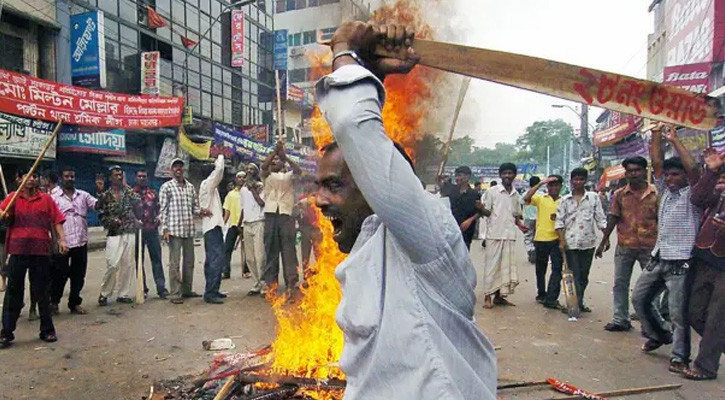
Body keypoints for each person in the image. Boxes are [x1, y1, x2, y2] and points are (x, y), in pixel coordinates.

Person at [313, 21, 496, 399]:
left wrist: (346, 49)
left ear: (376, 186)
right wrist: (372, 71)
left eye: (334, 185)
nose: (318, 200)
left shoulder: (425, 238)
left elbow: (352, 123)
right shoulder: (374, 246)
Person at [631, 125, 700, 374]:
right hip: (659, 256)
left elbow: (693, 168)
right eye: (668, 175)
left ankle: (680, 356)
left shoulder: (693, 194)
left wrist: (676, 139)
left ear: (683, 177)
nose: (669, 179)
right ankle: (659, 334)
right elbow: (657, 162)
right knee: (639, 298)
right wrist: (657, 134)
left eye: (674, 175)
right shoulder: (665, 192)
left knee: (677, 313)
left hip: (681, 261)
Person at [0, 169, 67, 348]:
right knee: (13, 292)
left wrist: (62, 239)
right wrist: (4, 215)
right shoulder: (13, 197)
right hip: (17, 251)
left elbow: (57, 220)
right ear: (19, 179)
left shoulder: (46, 199)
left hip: (41, 252)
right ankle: (6, 333)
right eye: (26, 176)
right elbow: (3, 213)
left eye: (34, 176)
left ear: (38, 180)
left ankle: (47, 330)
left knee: (42, 292)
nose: (31, 179)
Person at [596, 156, 659, 332]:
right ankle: (620, 319)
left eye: (637, 170)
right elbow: (613, 217)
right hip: (625, 245)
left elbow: (662, 219)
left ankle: (651, 322)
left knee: (651, 286)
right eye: (630, 171)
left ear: (644, 171)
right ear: (626, 173)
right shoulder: (619, 195)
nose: (634, 174)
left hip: (650, 247)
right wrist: (604, 241)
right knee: (620, 283)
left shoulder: (656, 194)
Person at [686, 147, 725, 381]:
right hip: (705, 255)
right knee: (694, 313)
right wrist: (710, 172)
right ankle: (716, 343)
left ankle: (706, 366)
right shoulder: (717, 182)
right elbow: (698, 198)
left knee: (716, 318)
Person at [49, 167, 103, 315]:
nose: (70, 179)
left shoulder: (83, 196)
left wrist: (100, 191)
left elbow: (98, 206)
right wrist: (55, 241)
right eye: (67, 176)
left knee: (78, 275)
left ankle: (74, 303)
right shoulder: (54, 198)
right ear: (61, 178)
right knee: (59, 275)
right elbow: (51, 221)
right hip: (63, 242)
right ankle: (54, 302)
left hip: (80, 241)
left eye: (72, 176)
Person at [555, 168, 606, 313]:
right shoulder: (564, 200)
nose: (578, 182)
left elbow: (600, 219)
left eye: (581, 179)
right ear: (571, 181)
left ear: (585, 181)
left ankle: (579, 301)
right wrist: (561, 241)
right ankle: (573, 304)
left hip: (588, 242)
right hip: (571, 243)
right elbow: (559, 222)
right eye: (575, 179)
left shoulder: (593, 198)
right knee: (574, 275)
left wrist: (605, 238)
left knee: (584, 276)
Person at [160, 158, 206, 304]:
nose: (178, 169)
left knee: (189, 262)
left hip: (188, 230)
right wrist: (164, 229)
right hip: (173, 230)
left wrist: (203, 212)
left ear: (183, 169)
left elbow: (194, 208)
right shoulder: (166, 187)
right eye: (175, 167)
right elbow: (163, 210)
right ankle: (175, 293)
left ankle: (186, 290)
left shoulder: (190, 187)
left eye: (180, 166)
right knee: (174, 263)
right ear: (171, 170)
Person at [482, 163, 528, 309]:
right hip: (494, 234)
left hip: (509, 235)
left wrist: (520, 225)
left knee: (504, 269)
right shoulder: (492, 192)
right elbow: (487, 212)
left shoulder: (516, 194)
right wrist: (479, 208)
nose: (507, 176)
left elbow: (514, 215)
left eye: (510, 173)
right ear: (500, 175)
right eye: (504, 173)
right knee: (491, 267)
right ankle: (487, 297)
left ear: (514, 175)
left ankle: (499, 297)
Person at [261, 141, 302, 295]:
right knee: (271, 249)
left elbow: (298, 170)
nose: (275, 162)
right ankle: (271, 285)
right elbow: (264, 167)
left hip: (286, 216)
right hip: (271, 215)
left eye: (278, 160)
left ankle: (291, 283)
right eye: (273, 160)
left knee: (288, 250)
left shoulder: (288, 176)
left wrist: (286, 157)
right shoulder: (266, 176)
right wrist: (274, 153)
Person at [96, 166, 142, 306]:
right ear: (110, 178)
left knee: (128, 264)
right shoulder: (105, 196)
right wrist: (112, 221)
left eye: (121, 175)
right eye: (116, 175)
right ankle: (104, 293)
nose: (119, 177)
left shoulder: (127, 192)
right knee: (113, 264)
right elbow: (101, 215)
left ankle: (123, 294)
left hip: (129, 231)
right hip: (114, 233)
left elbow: (137, 200)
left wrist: (126, 186)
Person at [524, 175, 564, 308]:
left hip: (557, 239)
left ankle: (551, 298)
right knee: (541, 269)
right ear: (547, 187)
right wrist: (540, 183)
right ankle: (541, 294)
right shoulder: (541, 198)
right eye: (551, 185)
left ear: (560, 186)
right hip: (541, 238)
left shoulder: (564, 201)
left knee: (557, 269)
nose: (553, 188)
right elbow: (526, 198)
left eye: (556, 185)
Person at [133, 169, 168, 299]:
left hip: (152, 230)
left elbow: (160, 209)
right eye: (139, 176)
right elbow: (128, 210)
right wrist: (135, 221)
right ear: (135, 177)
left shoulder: (153, 193)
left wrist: (159, 219)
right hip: (137, 232)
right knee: (139, 261)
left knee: (157, 260)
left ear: (147, 178)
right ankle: (142, 289)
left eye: (144, 176)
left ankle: (161, 288)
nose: (142, 178)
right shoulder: (131, 194)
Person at [198, 155, 226, 304]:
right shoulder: (208, 184)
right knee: (216, 260)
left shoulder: (209, 187)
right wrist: (220, 155)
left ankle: (213, 289)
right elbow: (220, 169)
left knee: (213, 260)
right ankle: (210, 292)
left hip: (212, 227)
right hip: (212, 228)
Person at [442, 166, 486, 250]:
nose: (457, 178)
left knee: (464, 253)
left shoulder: (474, 194)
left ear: (467, 177)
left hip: (466, 230)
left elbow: (479, 212)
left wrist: (470, 220)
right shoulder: (450, 191)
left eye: (459, 175)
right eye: (456, 176)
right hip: (450, 229)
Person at [238, 163, 266, 295]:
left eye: (252, 169)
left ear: (256, 172)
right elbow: (243, 207)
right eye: (247, 169)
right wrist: (240, 224)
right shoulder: (243, 188)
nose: (249, 171)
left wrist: (253, 190)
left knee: (260, 257)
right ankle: (256, 284)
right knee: (249, 258)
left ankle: (264, 285)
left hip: (258, 222)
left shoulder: (260, 186)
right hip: (247, 224)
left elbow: (262, 203)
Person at [296, 179, 322, 277]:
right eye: (305, 183)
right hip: (305, 228)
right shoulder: (300, 198)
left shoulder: (316, 197)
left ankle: (321, 274)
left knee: (318, 253)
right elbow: (298, 213)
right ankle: (306, 276)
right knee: (305, 253)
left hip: (316, 228)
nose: (307, 185)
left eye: (309, 182)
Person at [222, 171, 245, 280]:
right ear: (236, 179)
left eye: (243, 177)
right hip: (233, 225)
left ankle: (247, 271)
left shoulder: (249, 192)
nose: (241, 179)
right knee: (227, 249)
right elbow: (227, 211)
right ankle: (225, 271)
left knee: (247, 250)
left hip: (246, 224)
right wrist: (222, 224)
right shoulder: (231, 194)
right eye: (239, 177)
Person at [522, 176, 540, 263]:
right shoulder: (543, 195)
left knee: (528, 237)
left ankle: (531, 250)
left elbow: (521, 205)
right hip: (539, 219)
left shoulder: (525, 194)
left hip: (528, 219)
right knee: (537, 237)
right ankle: (537, 251)